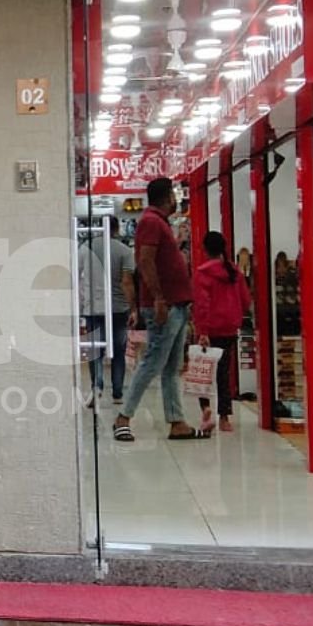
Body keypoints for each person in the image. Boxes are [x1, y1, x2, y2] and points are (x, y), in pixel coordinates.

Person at [113, 176, 208, 443]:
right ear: (167, 197)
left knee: (171, 367)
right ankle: (123, 417)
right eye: (174, 194)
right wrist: (158, 299)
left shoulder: (159, 222)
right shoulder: (151, 222)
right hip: (165, 306)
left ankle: (177, 421)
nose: (177, 199)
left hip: (176, 305)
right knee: (153, 362)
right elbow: (145, 261)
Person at [193, 230, 252, 434]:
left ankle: (206, 409)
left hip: (209, 330)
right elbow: (246, 300)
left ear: (205, 249)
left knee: (203, 372)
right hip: (229, 329)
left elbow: (202, 304)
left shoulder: (202, 273)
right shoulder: (234, 272)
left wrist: (202, 330)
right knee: (223, 373)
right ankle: (225, 418)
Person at [76, 224, 135, 405]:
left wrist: (80, 301)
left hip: (93, 307)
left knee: (95, 350)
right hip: (119, 308)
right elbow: (127, 282)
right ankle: (117, 393)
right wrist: (133, 308)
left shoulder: (86, 247)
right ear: (117, 229)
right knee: (118, 350)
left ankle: (97, 388)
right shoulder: (125, 250)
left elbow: (76, 275)